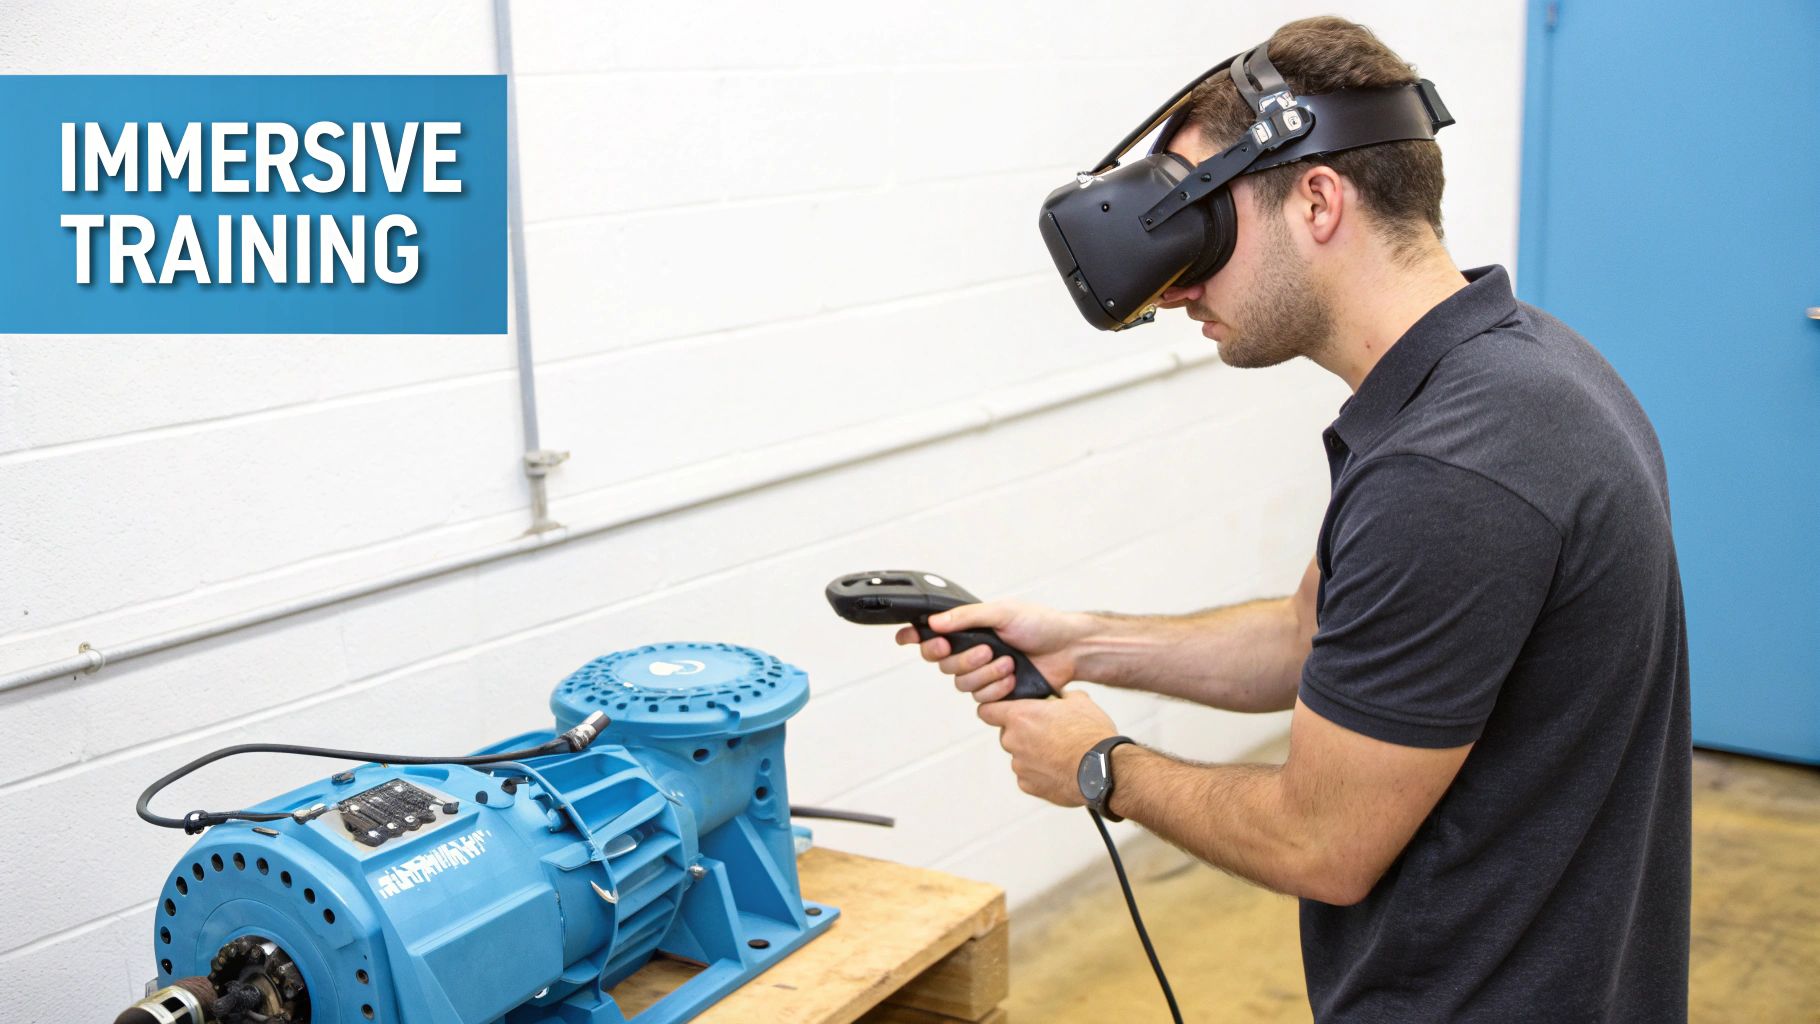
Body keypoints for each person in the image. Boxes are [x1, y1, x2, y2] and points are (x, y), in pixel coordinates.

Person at [899, 16, 1691, 1023]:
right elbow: (1306, 637)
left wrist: (1102, 767)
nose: (1174, 284)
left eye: (1201, 226)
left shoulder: (1453, 468)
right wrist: (1082, 643)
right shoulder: (1514, 366)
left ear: (1317, 199)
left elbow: (1321, 844)